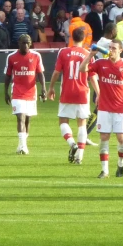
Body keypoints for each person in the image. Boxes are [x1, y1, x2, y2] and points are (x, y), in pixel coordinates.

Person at [80, 39, 123, 178]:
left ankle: (120, 164)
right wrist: (90, 55)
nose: (111, 50)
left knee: (121, 139)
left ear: (120, 50)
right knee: (104, 137)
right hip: (104, 108)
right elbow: (82, 69)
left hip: (120, 108)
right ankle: (105, 170)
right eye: (110, 47)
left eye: (114, 48)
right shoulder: (101, 63)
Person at [47, 27, 94, 164]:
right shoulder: (88, 54)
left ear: (71, 38)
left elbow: (56, 73)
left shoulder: (63, 52)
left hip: (67, 91)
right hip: (82, 92)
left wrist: (51, 88)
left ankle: (72, 143)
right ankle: (79, 156)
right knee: (82, 123)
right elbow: (92, 76)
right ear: (84, 38)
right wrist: (99, 92)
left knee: (63, 121)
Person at [4, 34, 46, 155]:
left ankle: (22, 145)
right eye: (24, 43)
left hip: (31, 93)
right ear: (19, 43)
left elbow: (40, 74)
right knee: (20, 117)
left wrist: (43, 88)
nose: (26, 45)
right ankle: (23, 146)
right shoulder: (11, 57)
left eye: (28, 43)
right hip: (17, 92)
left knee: (28, 119)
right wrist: (5, 92)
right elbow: (7, 76)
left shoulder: (36, 56)